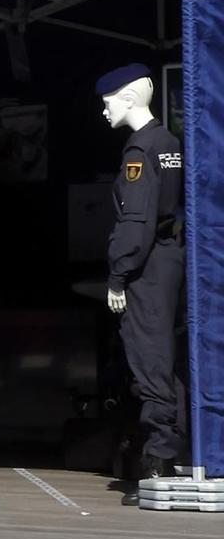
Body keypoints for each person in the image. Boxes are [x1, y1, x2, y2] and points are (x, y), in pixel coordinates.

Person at [98, 64, 186, 504]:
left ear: (129, 99)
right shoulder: (171, 143)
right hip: (170, 261)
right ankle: (176, 451)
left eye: (108, 100)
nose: (104, 109)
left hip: (147, 269)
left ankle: (158, 463)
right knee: (168, 362)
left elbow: (135, 222)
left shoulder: (139, 151)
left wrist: (117, 275)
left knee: (150, 362)